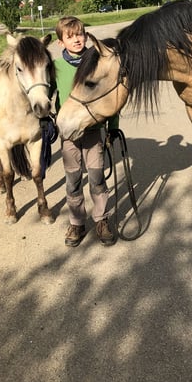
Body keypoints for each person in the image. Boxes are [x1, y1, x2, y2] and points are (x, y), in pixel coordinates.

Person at [54, 16, 119, 247]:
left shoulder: (96, 61)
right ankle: (77, 222)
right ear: (61, 42)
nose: (77, 40)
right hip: (69, 135)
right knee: (72, 181)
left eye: (80, 34)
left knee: (96, 177)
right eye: (70, 37)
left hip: (93, 131)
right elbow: (45, 95)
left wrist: (113, 127)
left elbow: (111, 95)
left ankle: (101, 219)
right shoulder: (56, 66)